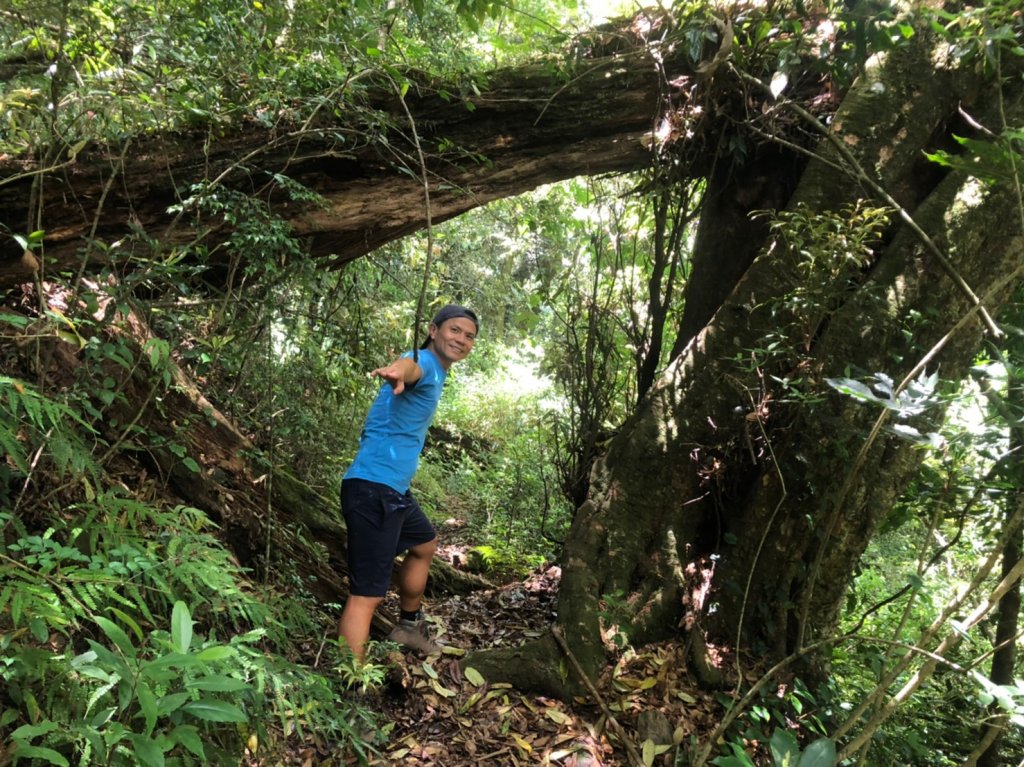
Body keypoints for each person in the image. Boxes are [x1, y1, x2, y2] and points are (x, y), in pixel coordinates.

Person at [337, 304, 479, 662]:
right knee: (366, 594)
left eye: (469, 335)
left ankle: (409, 627)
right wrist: (397, 372)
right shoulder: (425, 363)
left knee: (425, 544)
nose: (461, 339)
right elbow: (410, 368)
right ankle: (352, 681)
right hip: (374, 489)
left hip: (391, 490)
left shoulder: (437, 370)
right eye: (455, 330)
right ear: (433, 331)